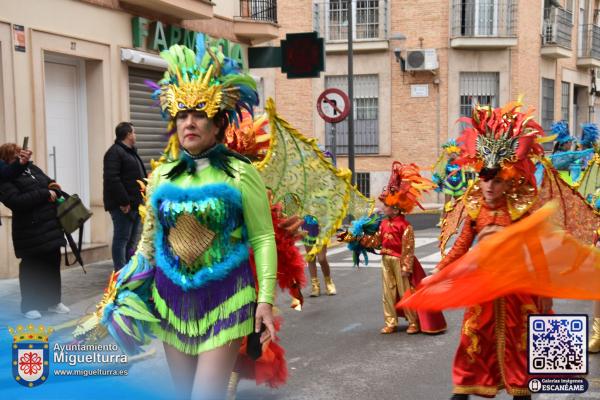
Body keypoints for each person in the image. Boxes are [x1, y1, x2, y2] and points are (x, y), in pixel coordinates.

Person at [100, 44, 277, 399]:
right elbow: (149, 243)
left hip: (227, 299)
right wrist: (121, 291)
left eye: (199, 114)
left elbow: (262, 238)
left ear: (219, 123)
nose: (189, 122)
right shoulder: (163, 175)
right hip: (170, 301)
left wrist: (266, 300)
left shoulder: (241, 174)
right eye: (182, 115)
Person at [427, 103, 552, 399]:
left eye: (497, 180)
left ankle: (521, 391)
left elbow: (537, 254)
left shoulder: (521, 210)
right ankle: (463, 393)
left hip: (518, 292)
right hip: (483, 291)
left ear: (508, 181)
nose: (489, 187)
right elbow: (459, 246)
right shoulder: (475, 209)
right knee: (472, 342)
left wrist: (546, 294)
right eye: (485, 179)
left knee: (520, 348)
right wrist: (437, 273)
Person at [0, 143, 68, 319]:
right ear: (7, 160)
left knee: (52, 262)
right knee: (32, 267)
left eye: (21, 155)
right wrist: (45, 194)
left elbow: (49, 182)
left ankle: (53, 301)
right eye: (16, 156)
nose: (21, 158)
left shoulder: (32, 168)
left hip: (49, 224)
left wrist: (53, 188)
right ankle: (30, 305)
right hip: (29, 229)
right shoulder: (5, 179)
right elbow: (16, 201)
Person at [103, 121, 147, 271]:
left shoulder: (129, 152)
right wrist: (123, 201)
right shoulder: (115, 152)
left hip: (135, 204)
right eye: (133, 132)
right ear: (128, 134)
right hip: (123, 206)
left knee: (131, 241)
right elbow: (112, 179)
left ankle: (129, 271)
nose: (135, 135)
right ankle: (120, 272)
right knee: (121, 239)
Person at [303, 215, 336, 297]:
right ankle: (315, 286)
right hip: (307, 224)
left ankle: (328, 282)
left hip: (322, 225)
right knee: (311, 257)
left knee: (322, 258)